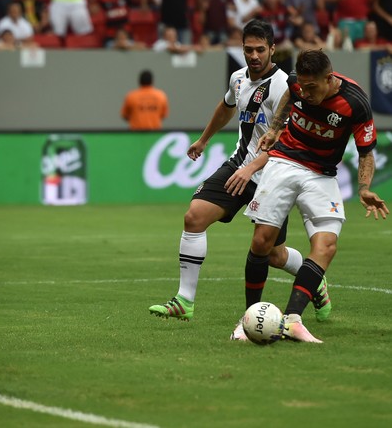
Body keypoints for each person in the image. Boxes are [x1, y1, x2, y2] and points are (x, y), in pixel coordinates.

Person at [148, 20, 332, 332]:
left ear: (273, 49)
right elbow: (226, 107)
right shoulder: (238, 78)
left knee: (273, 254)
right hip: (238, 167)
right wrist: (204, 140)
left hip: (273, 175)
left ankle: (316, 281)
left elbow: (287, 141)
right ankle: (184, 301)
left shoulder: (285, 87)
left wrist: (252, 168)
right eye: (249, 49)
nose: (254, 55)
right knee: (194, 217)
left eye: (261, 49)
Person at [242, 49, 388, 343]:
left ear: (330, 79)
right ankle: (248, 318)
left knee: (327, 244)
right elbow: (289, 97)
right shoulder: (297, 83)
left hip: (322, 174)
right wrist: (274, 128)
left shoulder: (355, 104)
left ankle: (294, 319)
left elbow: (366, 152)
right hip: (284, 161)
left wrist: (364, 188)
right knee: (262, 243)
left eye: (313, 88)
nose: (306, 93)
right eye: (303, 87)